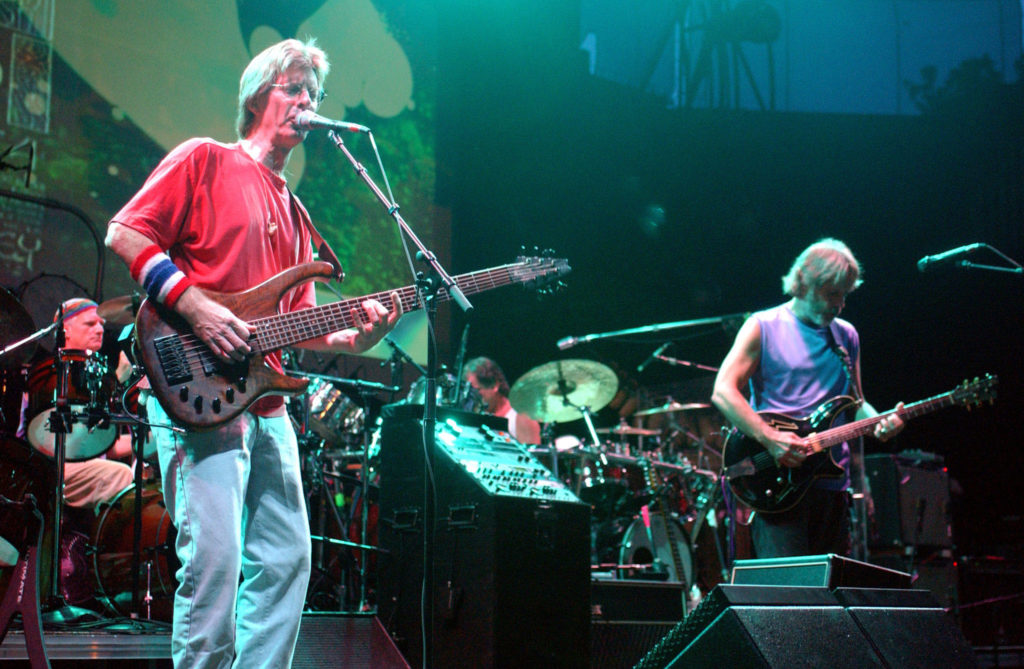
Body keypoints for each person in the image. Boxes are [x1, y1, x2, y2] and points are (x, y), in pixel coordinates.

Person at [105, 38, 402, 668]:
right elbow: (125, 232)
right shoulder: (205, 159)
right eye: (295, 88)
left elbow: (303, 326)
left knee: (289, 560)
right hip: (196, 391)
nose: (307, 103)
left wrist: (361, 336)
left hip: (266, 404)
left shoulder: (296, 213)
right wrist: (196, 305)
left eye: (314, 94)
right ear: (258, 94)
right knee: (214, 567)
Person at [710, 238, 904, 558]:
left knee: (827, 596)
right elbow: (723, 391)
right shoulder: (762, 326)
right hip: (780, 482)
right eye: (831, 294)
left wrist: (880, 421)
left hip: (831, 485)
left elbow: (855, 404)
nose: (839, 304)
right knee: (790, 595)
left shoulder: (846, 335)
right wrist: (771, 439)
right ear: (803, 284)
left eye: (844, 295)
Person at [463, 356, 541, 445]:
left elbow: (533, 457)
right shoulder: (481, 413)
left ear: (494, 385)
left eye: (477, 390)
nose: (474, 397)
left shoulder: (522, 417)